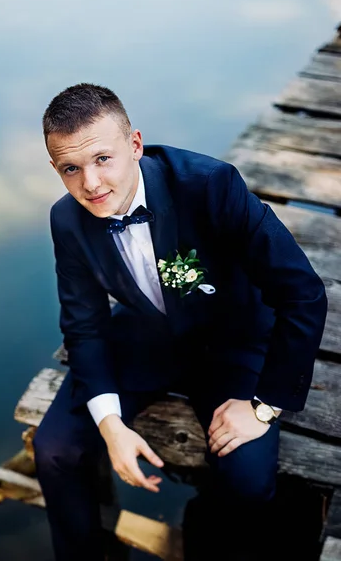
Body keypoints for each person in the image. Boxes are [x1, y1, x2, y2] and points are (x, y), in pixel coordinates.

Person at [33, 83, 328, 561]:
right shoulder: (67, 220)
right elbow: (84, 326)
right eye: (72, 168)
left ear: (135, 145)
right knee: (54, 449)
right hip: (148, 338)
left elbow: (303, 294)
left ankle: (204, 541)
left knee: (248, 482)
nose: (90, 183)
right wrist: (110, 425)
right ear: (56, 168)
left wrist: (264, 407)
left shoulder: (209, 184)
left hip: (234, 341)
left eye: (103, 159)